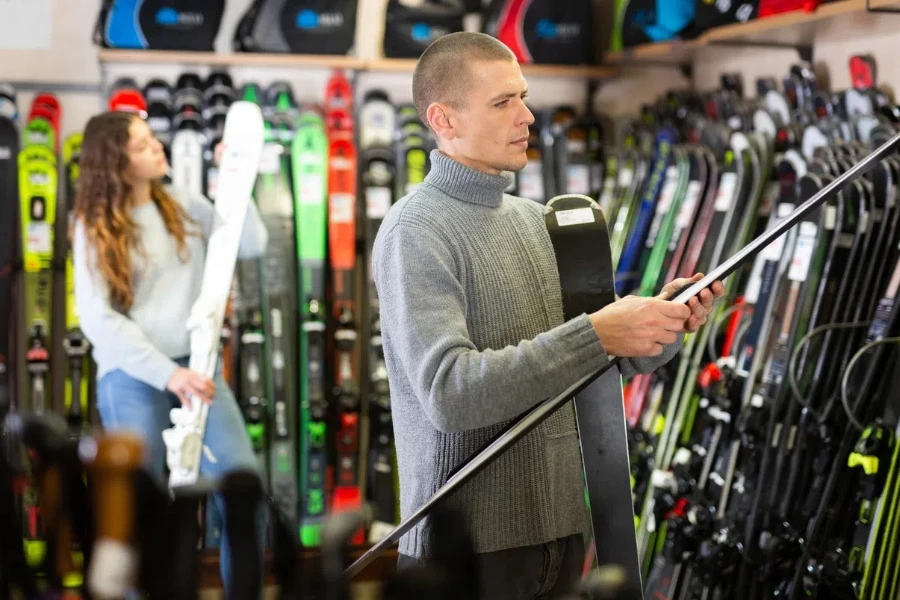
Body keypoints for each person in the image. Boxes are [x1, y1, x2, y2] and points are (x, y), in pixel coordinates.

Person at [371, 31, 726, 599]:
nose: (527, 116)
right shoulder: (416, 230)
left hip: (560, 534)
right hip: (466, 552)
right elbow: (450, 393)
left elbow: (584, 375)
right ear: (444, 120)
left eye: (522, 96)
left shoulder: (538, 221)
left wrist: (657, 329)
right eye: (502, 102)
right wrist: (598, 332)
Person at [72, 110, 268, 594]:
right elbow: (100, 322)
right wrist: (168, 375)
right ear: (116, 165)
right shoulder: (93, 227)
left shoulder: (181, 203)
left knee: (245, 493)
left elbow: (252, 244)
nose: (156, 148)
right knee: (142, 511)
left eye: (150, 139)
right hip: (133, 378)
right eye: (141, 147)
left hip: (198, 370)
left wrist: (234, 182)